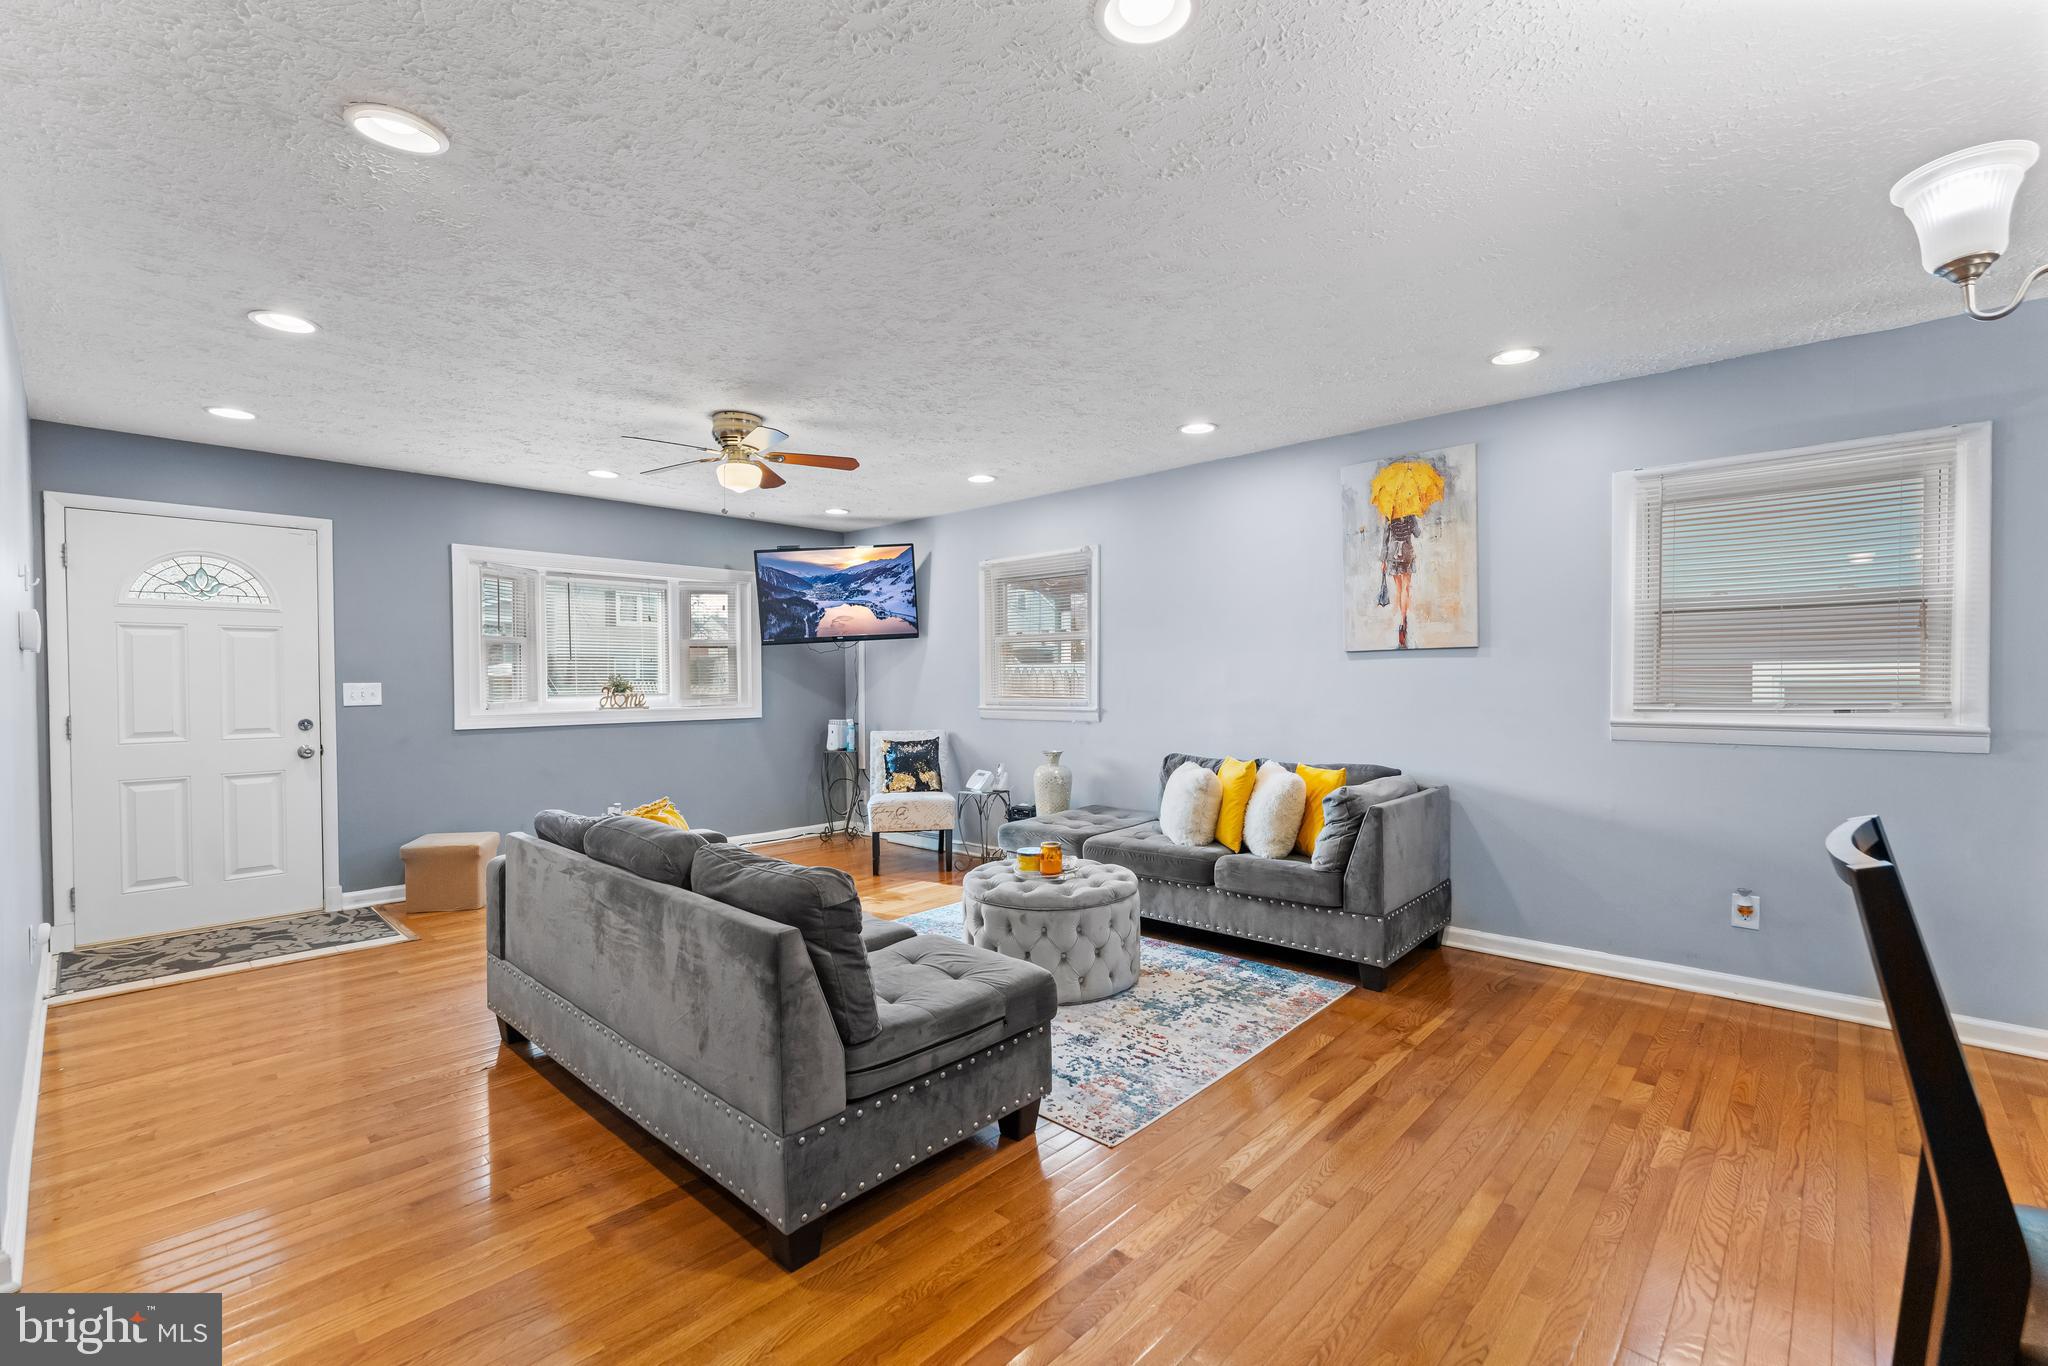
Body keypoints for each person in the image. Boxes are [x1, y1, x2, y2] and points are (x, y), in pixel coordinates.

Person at [1380, 513, 1419, 649]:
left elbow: (1385, 538)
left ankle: (1401, 620)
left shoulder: (1389, 512)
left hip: (1393, 554)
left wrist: (1383, 560)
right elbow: (1417, 533)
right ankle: (1403, 620)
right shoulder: (1410, 512)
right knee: (1406, 588)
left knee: (1399, 589)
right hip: (1407, 552)